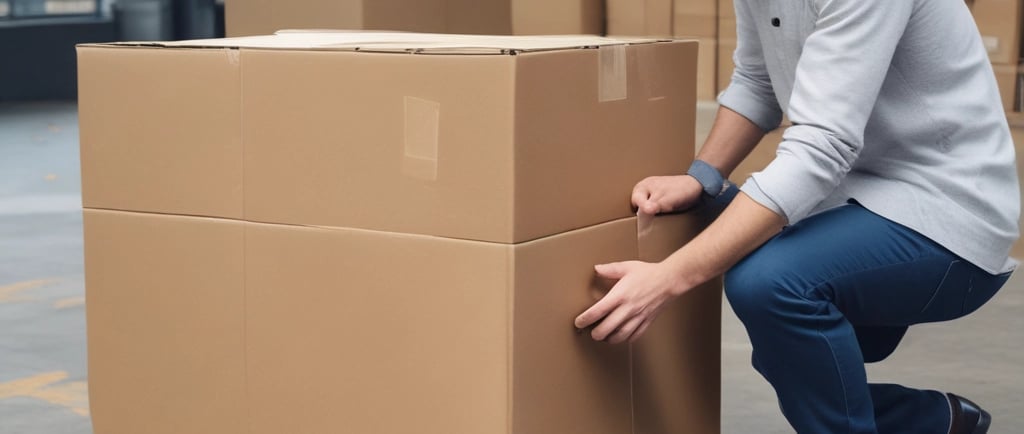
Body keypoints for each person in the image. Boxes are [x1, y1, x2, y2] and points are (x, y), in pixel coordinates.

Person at [574, 1, 1019, 433]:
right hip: (855, 195)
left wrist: (667, 279)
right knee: (716, 232)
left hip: (946, 209)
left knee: (770, 285)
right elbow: (757, 80)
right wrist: (701, 177)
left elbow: (822, 145)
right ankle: (927, 420)